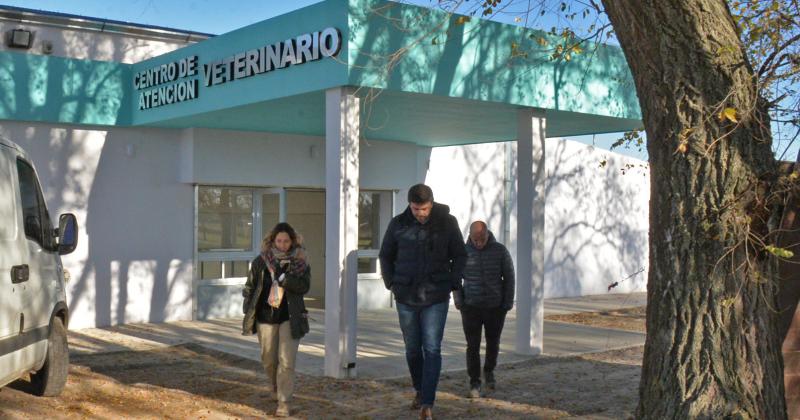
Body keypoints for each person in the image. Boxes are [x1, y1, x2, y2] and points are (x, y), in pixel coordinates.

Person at [379, 184, 467, 420]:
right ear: (409, 204)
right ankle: (419, 390)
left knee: (432, 348)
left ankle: (427, 401)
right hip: (406, 295)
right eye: (416, 208)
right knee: (412, 349)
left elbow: (460, 254)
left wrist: (453, 281)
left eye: (425, 208)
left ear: (432, 204)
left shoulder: (447, 222)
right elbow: (385, 255)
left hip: (436, 294)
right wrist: (392, 283)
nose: (421, 213)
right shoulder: (398, 223)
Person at [242, 222, 311, 418]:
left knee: (286, 361)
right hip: (265, 316)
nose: (282, 244)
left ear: (292, 241)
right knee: (269, 360)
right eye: (279, 241)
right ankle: (274, 386)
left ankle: (284, 402)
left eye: (286, 241)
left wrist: (284, 279)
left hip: (290, 317)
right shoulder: (260, 261)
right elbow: (250, 286)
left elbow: (304, 286)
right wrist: (247, 309)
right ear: (272, 241)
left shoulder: (300, 261)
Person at [454, 221, 515, 398]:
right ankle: (474, 380)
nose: (479, 243)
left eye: (482, 239)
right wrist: (459, 302)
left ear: (488, 234)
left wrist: (507, 302)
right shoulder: (463, 253)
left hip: (495, 307)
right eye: (475, 239)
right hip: (471, 307)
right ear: (470, 236)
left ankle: (489, 371)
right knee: (472, 346)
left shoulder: (500, 251)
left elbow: (509, 277)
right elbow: (455, 279)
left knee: (493, 342)